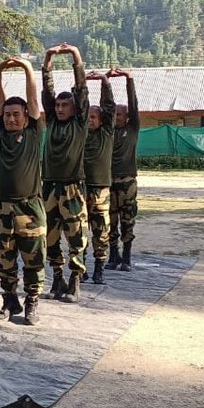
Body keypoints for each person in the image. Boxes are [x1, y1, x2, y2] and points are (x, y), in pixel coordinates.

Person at [0, 56, 46, 326]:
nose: (11, 118)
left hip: (29, 208)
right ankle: (9, 299)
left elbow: (34, 101)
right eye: (8, 114)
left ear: (26, 118)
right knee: (5, 259)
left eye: (16, 115)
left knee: (33, 259)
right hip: (0, 208)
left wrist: (26, 68)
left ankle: (32, 300)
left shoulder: (34, 134)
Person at [40, 43, 90, 303]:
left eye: (64, 105)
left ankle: (75, 281)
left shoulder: (80, 123)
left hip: (72, 187)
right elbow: (46, 93)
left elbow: (81, 89)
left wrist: (75, 56)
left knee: (76, 236)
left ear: (73, 108)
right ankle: (57, 278)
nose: (59, 108)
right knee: (49, 235)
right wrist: (47, 59)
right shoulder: (50, 120)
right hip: (48, 186)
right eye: (57, 105)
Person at [83, 69, 117, 285]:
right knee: (80, 232)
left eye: (93, 117)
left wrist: (104, 81)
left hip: (102, 190)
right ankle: (82, 268)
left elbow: (109, 107)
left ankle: (99, 268)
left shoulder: (106, 133)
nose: (90, 121)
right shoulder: (79, 133)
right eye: (87, 117)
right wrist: (82, 83)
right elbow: (79, 104)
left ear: (100, 119)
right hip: (81, 188)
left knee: (101, 232)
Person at [107, 69, 139, 272]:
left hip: (127, 181)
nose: (115, 117)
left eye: (119, 114)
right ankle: (113, 255)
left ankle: (126, 257)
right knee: (110, 220)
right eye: (114, 114)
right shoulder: (106, 131)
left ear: (126, 117)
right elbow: (104, 105)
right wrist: (105, 82)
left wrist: (129, 79)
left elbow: (134, 104)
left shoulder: (133, 128)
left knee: (127, 220)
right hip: (109, 181)